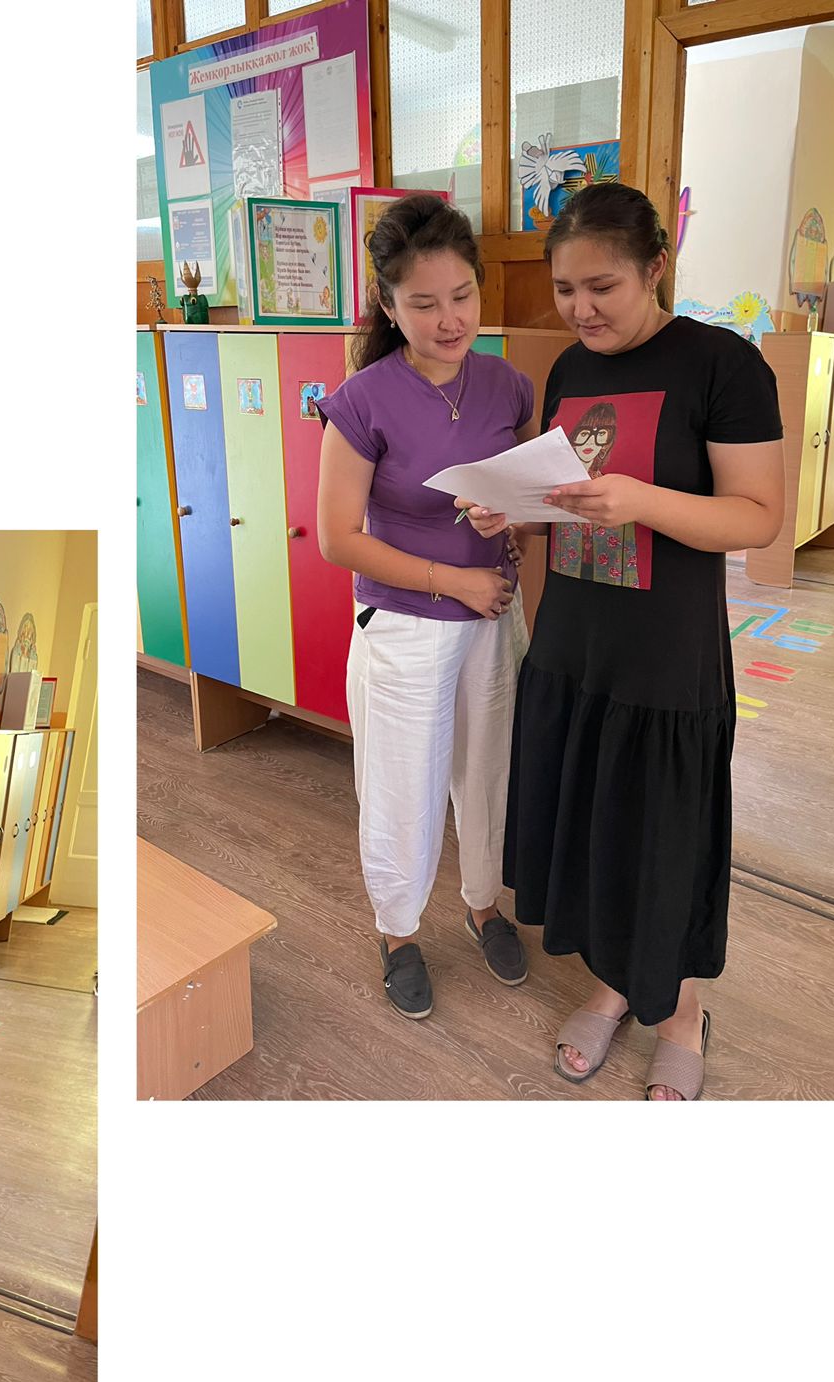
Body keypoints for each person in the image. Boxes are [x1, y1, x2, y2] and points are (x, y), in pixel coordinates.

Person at [462, 182, 784, 1099]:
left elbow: (758, 517)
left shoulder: (724, 365)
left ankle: (679, 1012)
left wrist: (641, 500)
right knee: (595, 829)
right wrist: (515, 513)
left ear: (655, 268)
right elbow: (569, 499)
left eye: (602, 286)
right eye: (566, 289)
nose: (581, 308)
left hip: (664, 659)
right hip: (574, 645)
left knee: (662, 840)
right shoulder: (571, 371)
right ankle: (612, 986)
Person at [314, 192, 533, 1021]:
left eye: (463, 296)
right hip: (407, 625)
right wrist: (452, 580)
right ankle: (398, 931)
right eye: (425, 303)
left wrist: (509, 520)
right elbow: (337, 539)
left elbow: (525, 495)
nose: (450, 320)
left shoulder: (507, 384)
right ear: (388, 304)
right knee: (403, 786)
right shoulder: (363, 399)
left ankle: (484, 905)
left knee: (489, 771)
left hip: (493, 615)